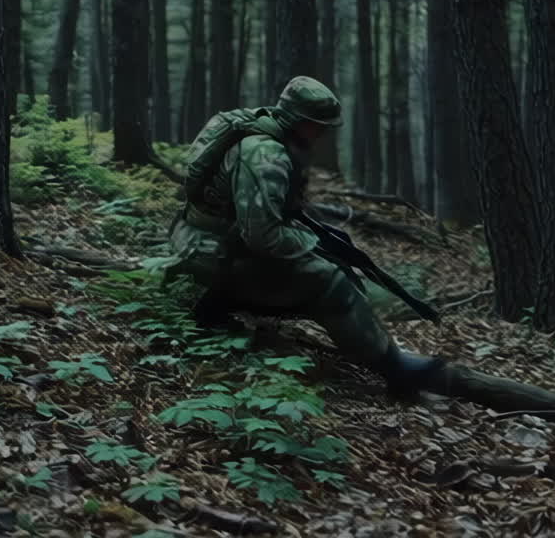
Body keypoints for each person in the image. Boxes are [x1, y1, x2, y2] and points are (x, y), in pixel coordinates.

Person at [166, 76, 442, 396]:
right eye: (320, 126)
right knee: (330, 280)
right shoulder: (266, 155)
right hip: (211, 252)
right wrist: (310, 245)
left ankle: (221, 304)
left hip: (204, 240)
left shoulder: (259, 128)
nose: (323, 134)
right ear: (302, 122)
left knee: (327, 255)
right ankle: (395, 368)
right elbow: (263, 236)